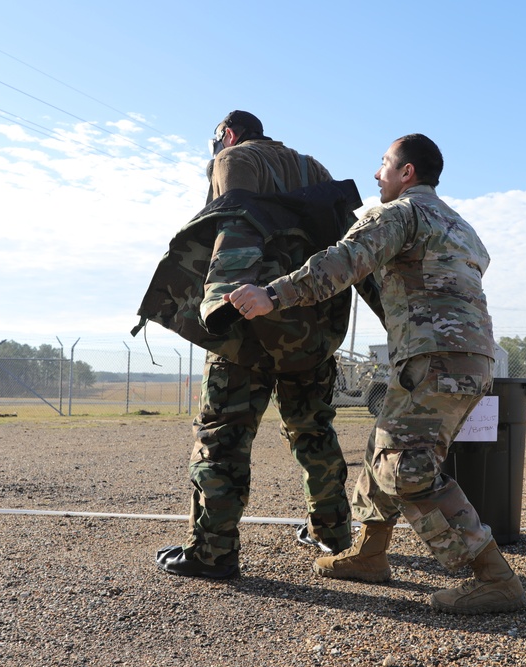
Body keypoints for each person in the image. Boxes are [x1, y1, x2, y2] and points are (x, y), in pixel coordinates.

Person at [224, 133, 526, 613]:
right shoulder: (461, 226)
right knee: (381, 446)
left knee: (406, 467)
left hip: (436, 359)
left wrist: (273, 295)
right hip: (464, 358)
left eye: (384, 164)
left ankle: (492, 576)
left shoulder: (401, 213)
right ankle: (371, 553)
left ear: (407, 173)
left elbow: (344, 261)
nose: (376, 173)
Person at [153, 111, 368, 579]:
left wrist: (217, 303)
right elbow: (351, 245)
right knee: (314, 434)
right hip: (312, 331)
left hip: (246, 327)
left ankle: (213, 551)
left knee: (221, 437)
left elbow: (234, 226)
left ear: (227, 134)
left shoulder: (232, 158)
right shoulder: (316, 169)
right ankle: (332, 536)